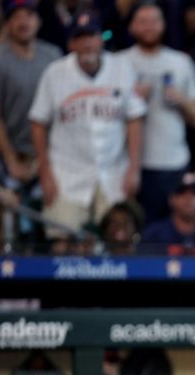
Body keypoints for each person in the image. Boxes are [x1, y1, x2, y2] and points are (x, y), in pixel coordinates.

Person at [29, 11, 146, 240]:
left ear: (101, 38)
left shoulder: (122, 67)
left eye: (91, 36)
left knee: (119, 239)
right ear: (71, 43)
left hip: (113, 173)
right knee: (61, 241)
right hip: (66, 173)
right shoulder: (55, 73)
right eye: (80, 37)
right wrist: (45, 171)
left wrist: (133, 168)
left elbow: (135, 118)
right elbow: (38, 122)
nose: (87, 43)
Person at [120, 2, 195, 226]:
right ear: (131, 27)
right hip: (129, 164)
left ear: (164, 25)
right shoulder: (119, 63)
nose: (149, 27)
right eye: (142, 22)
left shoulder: (181, 62)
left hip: (173, 163)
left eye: (154, 21)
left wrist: (182, 100)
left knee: (173, 230)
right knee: (137, 229)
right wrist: (133, 100)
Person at [0, 0, 60, 187]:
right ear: (7, 24)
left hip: (45, 150)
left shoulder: (54, 56)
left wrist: (43, 160)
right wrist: (11, 159)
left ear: (39, 21)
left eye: (29, 16)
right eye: (17, 17)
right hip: (2, 148)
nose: (24, 22)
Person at [138, 171, 195, 255]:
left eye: (194, 193)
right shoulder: (153, 236)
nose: (189, 198)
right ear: (171, 199)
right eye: (182, 192)